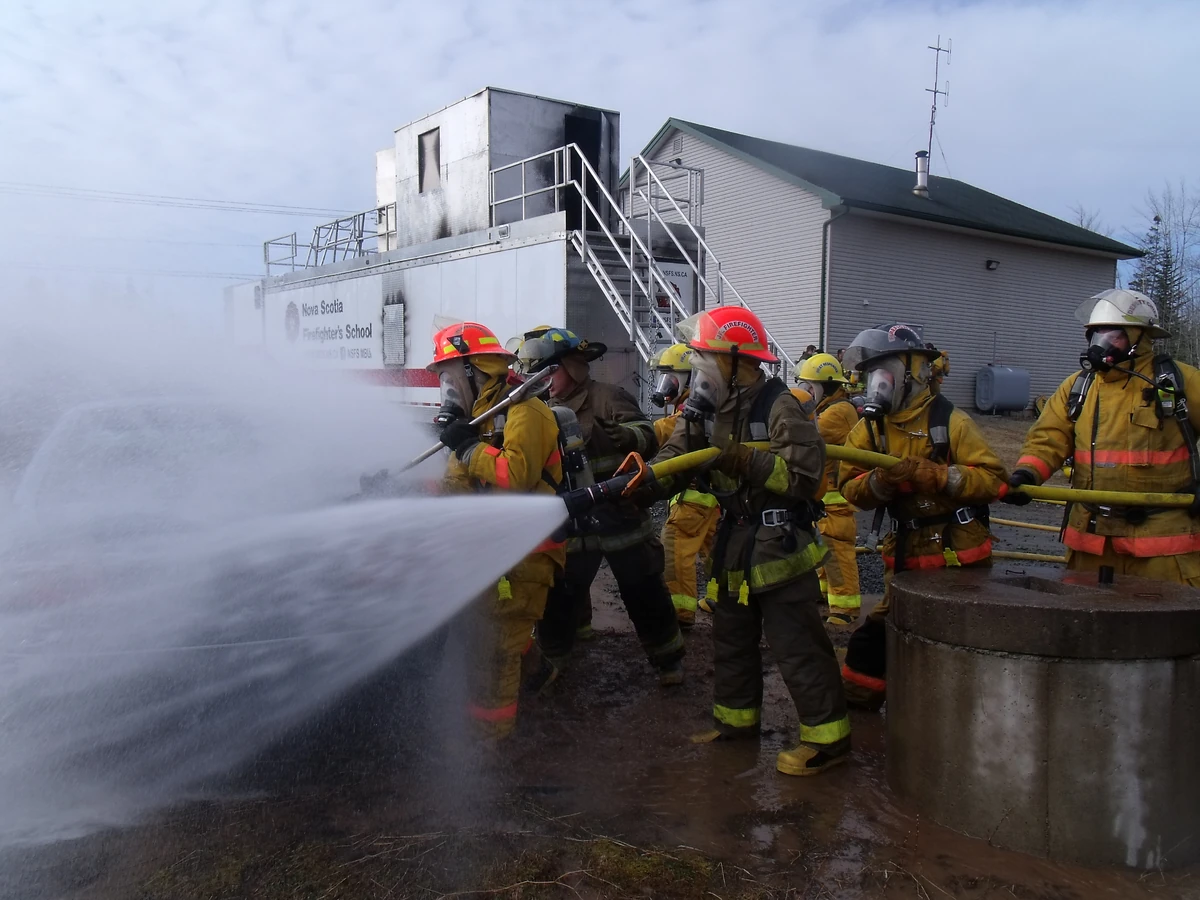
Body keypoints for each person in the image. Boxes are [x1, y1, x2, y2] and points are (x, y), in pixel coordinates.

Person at [651, 307, 851, 776]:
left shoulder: (779, 405)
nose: (696, 369)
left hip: (779, 542)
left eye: (704, 358)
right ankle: (735, 725)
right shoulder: (712, 403)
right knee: (732, 639)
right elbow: (678, 453)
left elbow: (804, 477)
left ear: (735, 358)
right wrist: (643, 483)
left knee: (796, 643)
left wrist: (741, 459)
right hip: (735, 541)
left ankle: (829, 741)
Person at [837, 324, 1007, 709]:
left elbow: (995, 481)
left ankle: (960, 715)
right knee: (874, 640)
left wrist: (940, 477)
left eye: (884, 372)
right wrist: (881, 482)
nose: (876, 383)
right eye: (871, 374)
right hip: (906, 556)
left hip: (957, 558)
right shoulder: (870, 428)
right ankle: (860, 712)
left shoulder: (951, 422)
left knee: (956, 640)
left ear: (911, 373)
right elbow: (849, 486)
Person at [517, 327, 686, 685]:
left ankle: (669, 662)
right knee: (561, 597)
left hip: (621, 519)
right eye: (535, 373)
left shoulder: (608, 397)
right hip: (573, 525)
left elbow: (648, 437)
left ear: (572, 367)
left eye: (550, 371)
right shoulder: (535, 411)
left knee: (644, 591)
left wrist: (629, 437)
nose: (542, 381)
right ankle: (553, 666)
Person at [1003, 289, 1200, 585]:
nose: (1101, 343)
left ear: (1138, 337)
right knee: (1086, 626)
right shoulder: (1078, 386)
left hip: (1161, 547)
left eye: (1112, 334)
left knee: (1162, 629)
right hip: (1091, 544)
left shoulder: (1178, 382)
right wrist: (1027, 475)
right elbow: (1048, 438)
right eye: (1095, 335)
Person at [427, 320, 566, 737]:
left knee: (493, 651)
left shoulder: (526, 410)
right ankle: (540, 675)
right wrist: (397, 491)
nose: (447, 392)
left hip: (527, 553)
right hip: (496, 552)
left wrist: (467, 447)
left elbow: (515, 476)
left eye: (450, 380)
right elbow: (458, 486)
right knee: (498, 633)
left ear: (475, 371)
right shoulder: (482, 418)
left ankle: (492, 745)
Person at [649, 343, 720, 628]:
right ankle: (719, 600)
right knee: (715, 550)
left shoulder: (693, 411)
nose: (666, 386)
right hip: (711, 497)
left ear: (691, 378)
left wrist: (634, 433)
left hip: (694, 496)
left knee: (675, 547)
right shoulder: (699, 405)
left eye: (672, 379)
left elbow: (670, 429)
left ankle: (680, 612)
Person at [794, 353, 862, 628]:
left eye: (811, 386)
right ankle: (826, 593)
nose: (808, 392)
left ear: (827, 386)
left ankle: (846, 608)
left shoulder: (838, 412)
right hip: (825, 496)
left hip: (835, 497)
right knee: (823, 548)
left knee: (836, 551)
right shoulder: (828, 408)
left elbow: (809, 434)